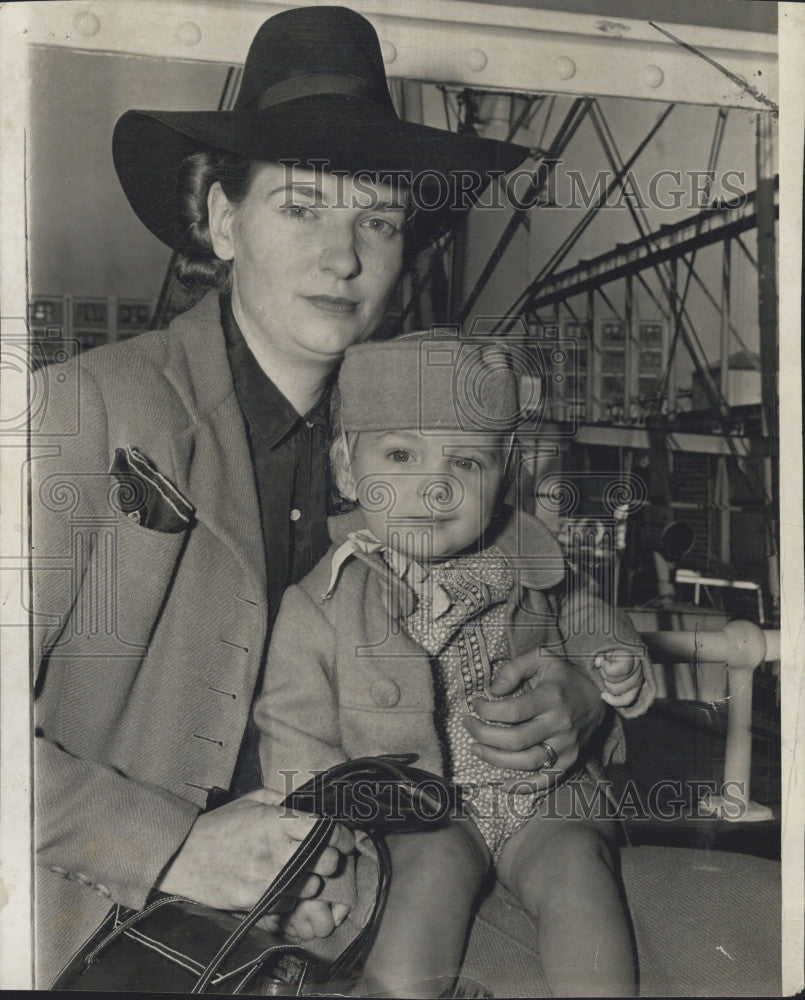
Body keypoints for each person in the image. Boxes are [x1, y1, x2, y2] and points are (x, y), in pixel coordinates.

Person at [32, 4, 612, 988]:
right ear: (220, 220)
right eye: (301, 207)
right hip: (115, 942)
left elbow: (530, 618)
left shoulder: (415, 451)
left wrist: (582, 696)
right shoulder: (81, 411)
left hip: (363, 918)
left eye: (377, 218)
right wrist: (171, 845)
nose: (344, 256)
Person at [256, 333, 656, 997]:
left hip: (547, 794)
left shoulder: (527, 560)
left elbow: (585, 611)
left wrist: (610, 660)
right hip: (427, 814)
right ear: (346, 469)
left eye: (467, 463)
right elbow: (293, 735)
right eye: (400, 454)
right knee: (422, 883)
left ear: (506, 476)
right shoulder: (319, 604)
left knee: (579, 868)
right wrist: (316, 855)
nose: (435, 486)